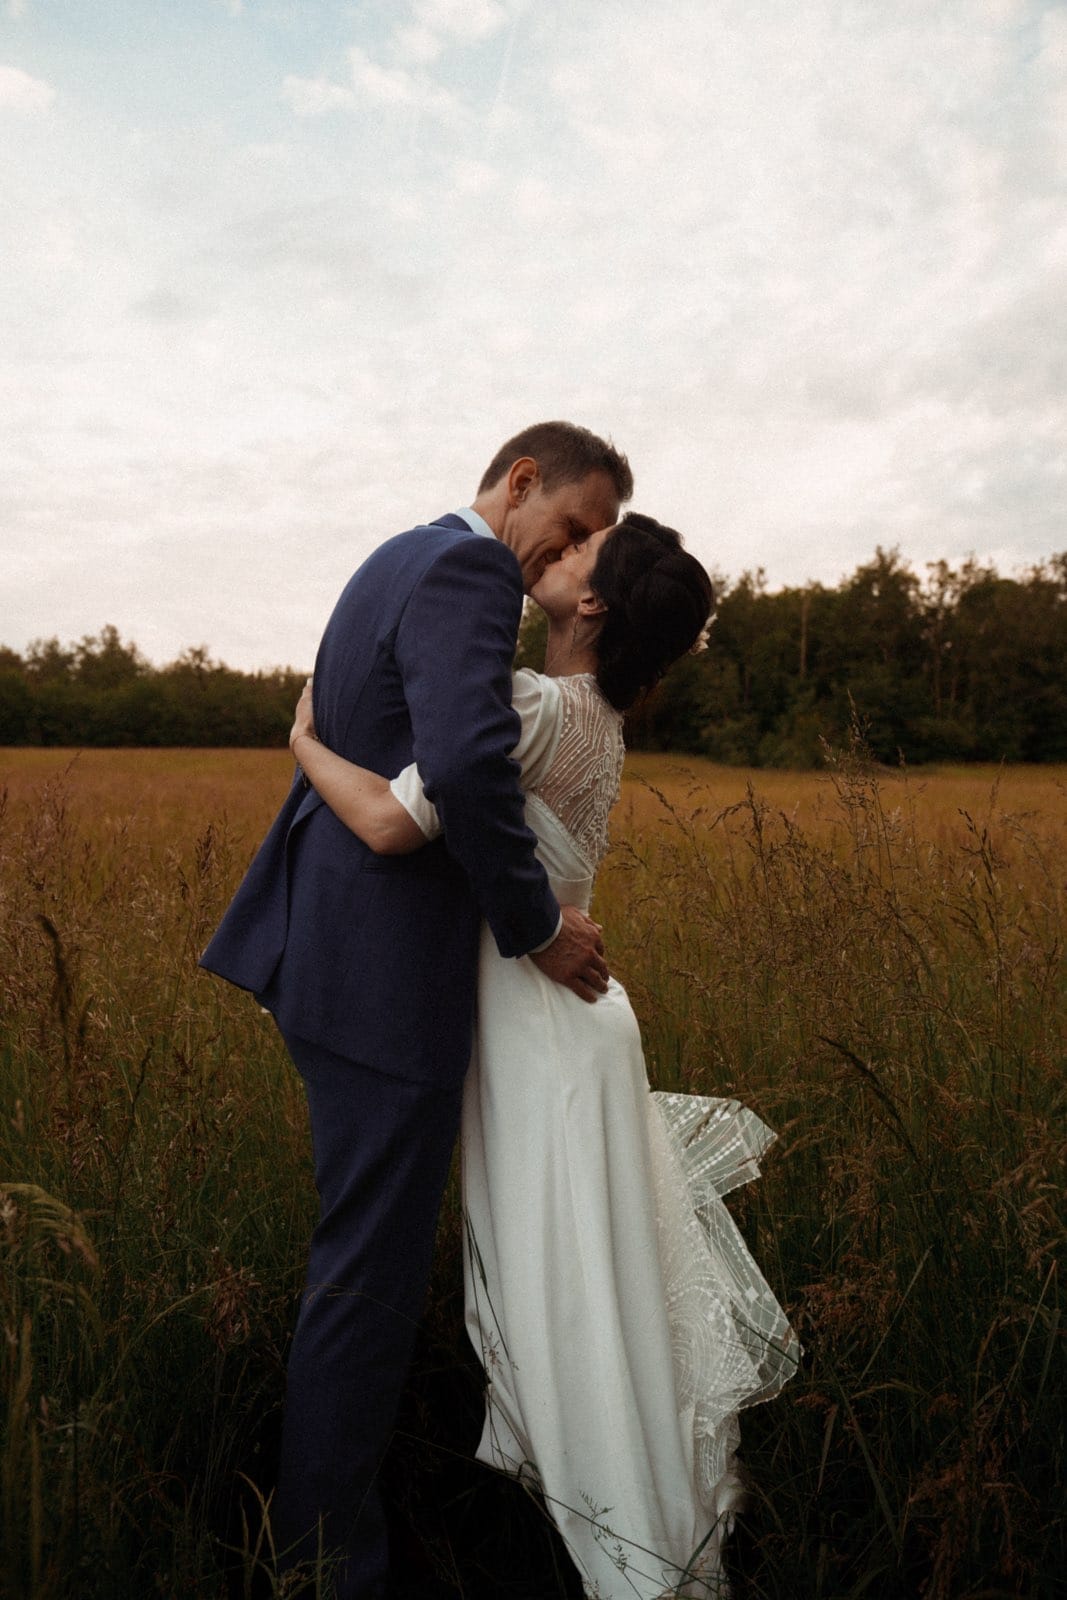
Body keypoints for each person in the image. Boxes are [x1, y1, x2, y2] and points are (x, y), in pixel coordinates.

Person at [288, 513, 801, 1599]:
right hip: (580, 1026)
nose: (555, 554)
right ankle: (654, 1528)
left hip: (544, 1038)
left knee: (570, 1300)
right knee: (607, 1291)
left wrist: (303, 743)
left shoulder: (527, 708)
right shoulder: (600, 716)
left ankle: (634, 1562)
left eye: (576, 551)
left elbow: (386, 822)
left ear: (590, 603)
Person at [199, 422, 634, 1600]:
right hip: (382, 978)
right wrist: (539, 929)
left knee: (363, 1259)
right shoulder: (466, 569)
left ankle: (327, 1527)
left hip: (337, 957)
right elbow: (466, 763)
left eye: (598, 543)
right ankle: (328, 1566)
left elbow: (380, 744)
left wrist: (299, 744)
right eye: (578, 522)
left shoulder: (393, 556)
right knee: (368, 1277)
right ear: (522, 480)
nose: (579, 552)